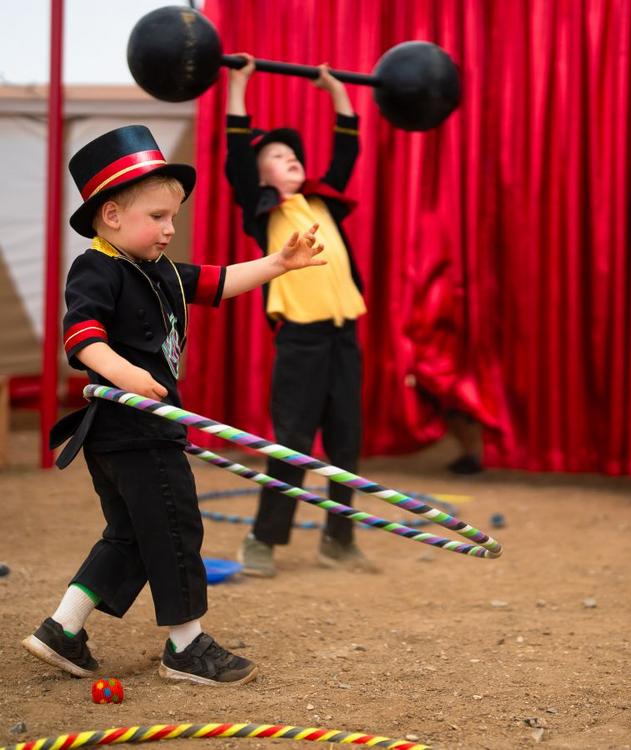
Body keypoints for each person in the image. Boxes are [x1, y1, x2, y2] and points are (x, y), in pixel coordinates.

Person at [23, 124, 326, 686]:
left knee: (133, 534)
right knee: (175, 526)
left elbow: (217, 281)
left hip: (141, 430)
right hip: (131, 428)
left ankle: (63, 630)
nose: (169, 229)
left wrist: (279, 264)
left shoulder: (157, 270)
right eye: (158, 217)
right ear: (111, 215)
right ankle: (187, 648)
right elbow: (81, 338)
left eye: (173, 217)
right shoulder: (97, 268)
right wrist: (124, 373)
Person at [224, 56, 374, 577]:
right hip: (301, 343)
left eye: (292, 153)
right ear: (259, 172)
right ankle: (262, 542)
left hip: (344, 339)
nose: (289, 158)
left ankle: (339, 539)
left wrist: (336, 89)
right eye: (276, 154)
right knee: (292, 445)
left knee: (345, 441)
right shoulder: (262, 210)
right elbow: (236, 155)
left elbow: (348, 146)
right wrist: (239, 84)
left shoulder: (321, 201)